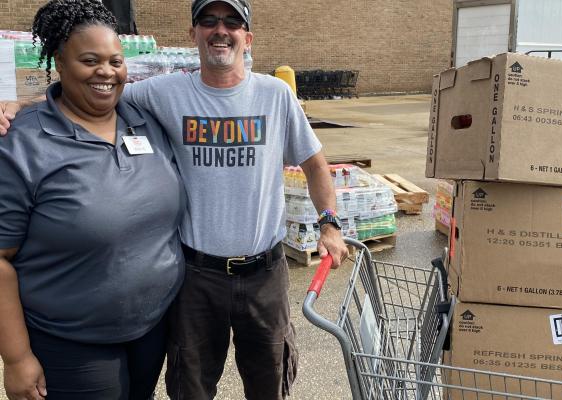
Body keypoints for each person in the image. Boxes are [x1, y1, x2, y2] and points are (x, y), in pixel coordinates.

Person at [0, 0, 349, 398]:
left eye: (232, 22)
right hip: (197, 277)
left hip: (265, 275)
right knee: (191, 385)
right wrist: (20, 107)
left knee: (270, 378)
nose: (221, 30)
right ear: (192, 34)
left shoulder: (275, 95)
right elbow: (88, 92)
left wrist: (329, 222)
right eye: (209, 21)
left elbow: (317, 166)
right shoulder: (161, 93)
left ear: (247, 37)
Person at [0, 1, 186, 399]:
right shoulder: (22, 144)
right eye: (89, 60)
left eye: (115, 61)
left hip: (151, 329)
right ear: (59, 62)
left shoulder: (145, 121)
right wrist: (16, 358)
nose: (106, 72)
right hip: (70, 343)